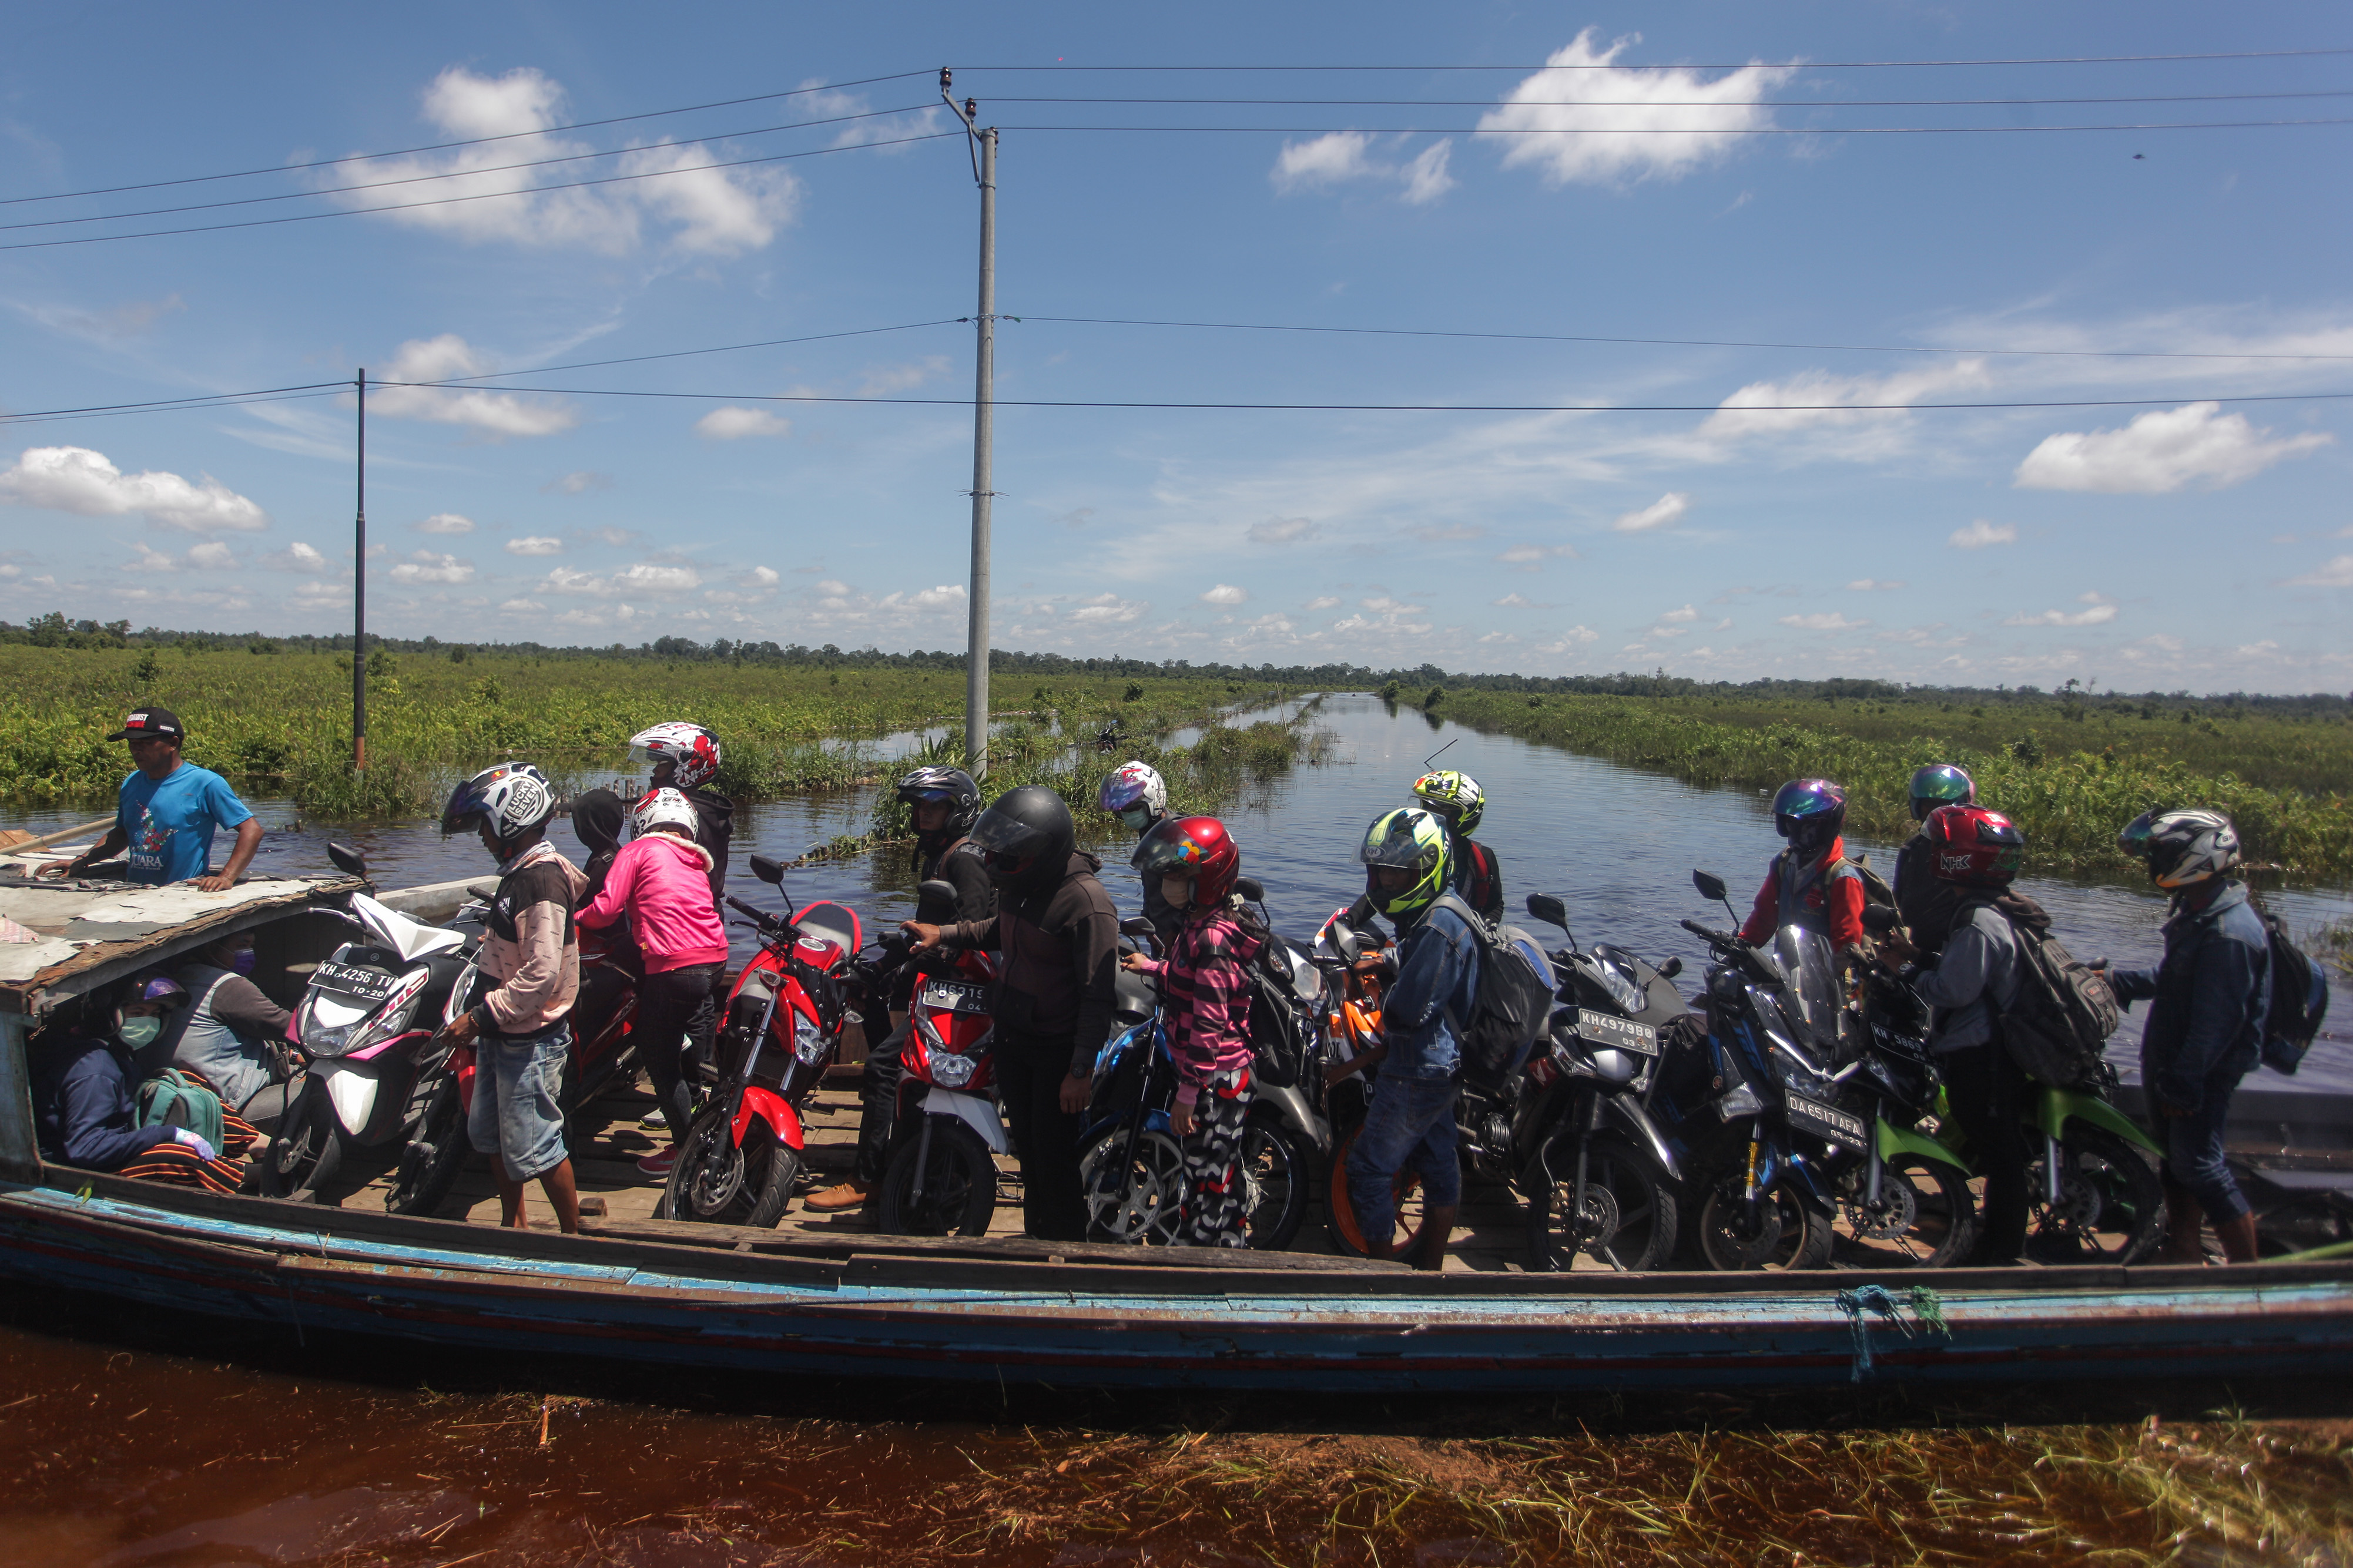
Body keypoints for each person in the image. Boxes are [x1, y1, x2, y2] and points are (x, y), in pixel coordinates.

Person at [903, 785, 1117, 1242]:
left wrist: (1080, 1069)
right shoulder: (1021, 886)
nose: (999, 862)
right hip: (1014, 1039)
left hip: (1056, 1050)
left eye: (1010, 853)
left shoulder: (1085, 903)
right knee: (1029, 1154)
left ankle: (1065, 1250)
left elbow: (1097, 996)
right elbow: (995, 929)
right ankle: (1036, 1239)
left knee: (1054, 1157)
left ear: (1044, 850)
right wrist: (943, 933)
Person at [807, 765, 994, 1213]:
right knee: (869, 999)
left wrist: (910, 965)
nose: (923, 814)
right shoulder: (940, 854)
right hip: (940, 985)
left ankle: (867, 1178)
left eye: (935, 806)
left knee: (882, 1067)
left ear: (958, 810)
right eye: (919, 806)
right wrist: (882, 967)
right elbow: (924, 928)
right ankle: (902, 1153)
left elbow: (969, 935)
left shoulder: (964, 859)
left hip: (961, 995)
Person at [2104, 808, 2270, 1265]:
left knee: (2200, 1164)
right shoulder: (2198, 910)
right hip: (2175, 1056)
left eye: (2162, 855)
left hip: (2202, 1067)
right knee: (2176, 1160)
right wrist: (2118, 981)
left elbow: (2218, 1022)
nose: (2154, 864)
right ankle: (2183, 1249)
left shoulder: (2230, 932)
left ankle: (2249, 1277)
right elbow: (2176, 977)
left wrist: (2185, 1080)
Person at [434, 763, 588, 1235]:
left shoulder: (540, 883)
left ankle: (573, 1235)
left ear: (510, 822)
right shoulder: (519, 876)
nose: (482, 836)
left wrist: (481, 1016)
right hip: (502, 1029)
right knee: (492, 1134)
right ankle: (512, 1221)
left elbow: (541, 973)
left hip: (530, 1038)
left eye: (485, 825)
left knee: (536, 1143)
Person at [1880, 804, 2031, 1265]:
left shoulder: (1977, 921)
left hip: (1982, 1054)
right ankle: (2000, 1240)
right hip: (1994, 1049)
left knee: (2000, 1154)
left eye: (1942, 848)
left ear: (1958, 859)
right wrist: (1918, 955)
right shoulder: (1993, 909)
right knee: (2000, 1149)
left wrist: (1905, 970)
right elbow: (1964, 968)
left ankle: (2000, 1250)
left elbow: (1955, 989)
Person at [1343, 807, 1479, 1271]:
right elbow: (1413, 952)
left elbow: (1407, 1011)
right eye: (1380, 870)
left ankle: (1386, 1279)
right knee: (1439, 1163)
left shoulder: (1441, 926)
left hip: (1418, 1066)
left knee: (1367, 1167)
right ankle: (1430, 1271)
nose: (1384, 881)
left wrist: (1379, 993)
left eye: (1396, 873)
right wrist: (1384, 961)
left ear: (1426, 869)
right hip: (1443, 1064)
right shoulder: (1441, 911)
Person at [576, 788, 732, 1178]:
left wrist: (571, 919)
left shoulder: (637, 851)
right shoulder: (694, 859)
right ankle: (693, 1083)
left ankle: (686, 1150)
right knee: (675, 1029)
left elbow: (606, 910)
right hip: (715, 961)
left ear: (642, 823)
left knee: (658, 1059)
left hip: (676, 969)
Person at [1121, 815, 1259, 1248]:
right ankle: (1229, 1249)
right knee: (1218, 1172)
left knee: (1206, 1178)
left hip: (1215, 1080)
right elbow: (1189, 977)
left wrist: (1187, 1093)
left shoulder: (1213, 939)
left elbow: (1209, 1023)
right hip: (1209, 1077)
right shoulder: (1197, 923)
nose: (1169, 886)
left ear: (1209, 880)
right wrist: (1152, 967)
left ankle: (1198, 1260)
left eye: (1179, 877)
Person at [31, 974, 255, 1194]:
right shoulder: (96, 1071)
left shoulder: (118, 1052)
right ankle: (248, 1178)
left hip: (116, 1137)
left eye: (154, 1014)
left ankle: (256, 1144)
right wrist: (167, 1134)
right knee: (175, 1157)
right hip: (79, 1165)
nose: (148, 1022)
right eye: (137, 1013)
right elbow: (87, 1148)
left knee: (187, 1085)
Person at [41, 707, 261, 890]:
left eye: (145, 743)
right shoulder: (132, 782)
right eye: (132, 743)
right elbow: (123, 833)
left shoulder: (205, 783)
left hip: (181, 892)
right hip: (137, 892)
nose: (136, 750)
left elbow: (251, 830)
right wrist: (82, 861)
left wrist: (226, 877)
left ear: (173, 743)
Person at [163, 929, 300, 1129]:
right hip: (229, 1105)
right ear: (212, 948)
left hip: (190, 1095)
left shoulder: (185, 975)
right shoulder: (225, 985)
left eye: (251, 946)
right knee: (324, 1092)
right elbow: (289, 1027)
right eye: (241, 946)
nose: (248, 953)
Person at [1739, 779, 1869, 958]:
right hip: (1785, 967)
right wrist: (1740, 949)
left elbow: (1847, 945)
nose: (1795, 830)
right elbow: (1764, 917)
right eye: (1790, 822)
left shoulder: (1843, 877)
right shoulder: (1783, 863)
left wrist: (1831, 971)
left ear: (1826, 825)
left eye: (1806, 824)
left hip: (1825, 973)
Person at [628, 722, 732, 900]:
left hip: (680, 909)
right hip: (707, 909)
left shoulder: (679, 816)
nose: (655, 770)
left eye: (663, 763)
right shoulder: (712, 809)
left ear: (686, 767)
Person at [1893, 764, 1978, 956]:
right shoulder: (1912, 848)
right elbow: (1898, 899)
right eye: (1928, 805)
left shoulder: (1970, 849)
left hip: (1951, 951)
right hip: (1910, 946)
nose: (1935, 812)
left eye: (1943, 805)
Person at [1100, 760, 1179, 945]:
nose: (1127, 813)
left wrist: (1175, 933)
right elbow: (1151, 887)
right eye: (1122, 809)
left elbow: (1196, 898)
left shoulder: (1176, 837)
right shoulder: (1149, 830)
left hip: (1180, 940)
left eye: (1133, 807)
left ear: (1154, 800)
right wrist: (1147, 920)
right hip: (1158, 934)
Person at [1411, 769, 1504, 924]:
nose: (1430, 814)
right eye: (1427, 806)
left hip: (1466, 933)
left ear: (1465, 814)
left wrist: (1486, 927)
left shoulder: (1481, 856)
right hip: (1414, 932)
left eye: (1441, 808)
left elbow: (1494, 905)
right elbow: (1380, 893)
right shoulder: (1410, 851)